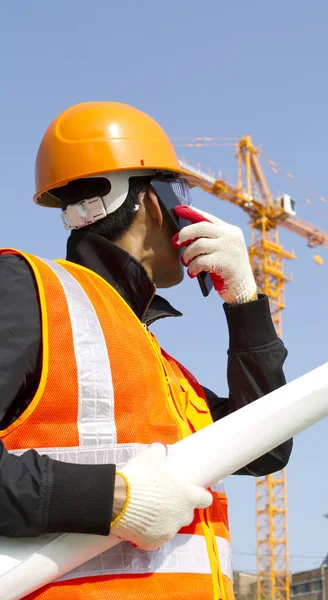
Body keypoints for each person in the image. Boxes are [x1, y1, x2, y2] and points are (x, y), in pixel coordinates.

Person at [0, 101, 292, 599]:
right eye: (177, 191)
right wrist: (114, 499)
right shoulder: (28, 290)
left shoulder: (158, 366)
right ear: (152, 201)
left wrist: (244, 302)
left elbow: (265, 448)